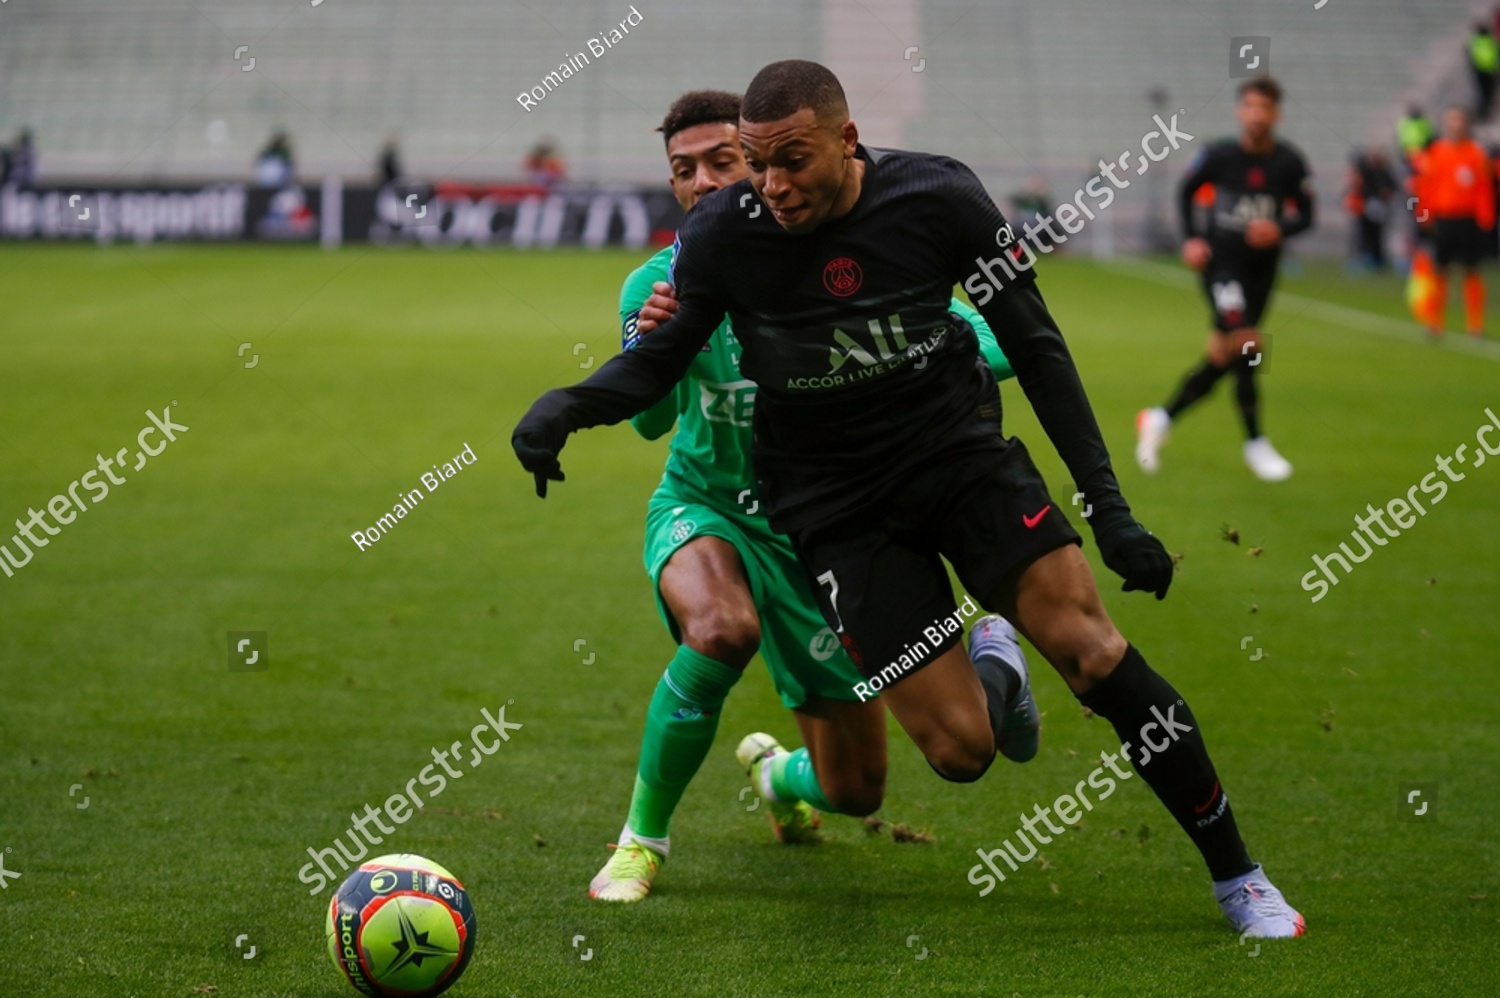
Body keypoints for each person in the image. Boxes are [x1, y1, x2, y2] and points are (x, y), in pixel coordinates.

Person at [515, 59, 1302, 938]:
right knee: (961, 753)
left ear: (848, 141)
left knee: (1093, 650)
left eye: (792, 160)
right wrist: (565, 408)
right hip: (835, 511)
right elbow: (657, 368)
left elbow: (1035, 347)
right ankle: (987, 656)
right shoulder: (724, 238)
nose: (770, 186)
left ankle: (1240, 877)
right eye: (755, 162)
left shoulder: (940, 197)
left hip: (957, 461)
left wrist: (1109, 508)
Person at [589, 88, 1021, 902]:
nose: (705, 181)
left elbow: (996, 340)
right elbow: (648, 424)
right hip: (706, 508)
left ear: (759, 165)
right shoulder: (657, 284)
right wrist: (647, 345)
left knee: (857, 788)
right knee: (719, 629)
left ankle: (777, 776)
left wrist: (900, 351)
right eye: (686, 170)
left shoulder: (841, 262)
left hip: (827, 537)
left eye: (725, 161)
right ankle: (641, 840)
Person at [1135, 77, 1314, 482]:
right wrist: (1193, 238)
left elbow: (1306, 214)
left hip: (1262, 273)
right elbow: (1186, 191)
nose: (1256, 114)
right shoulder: (1218, 156)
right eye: (1249, 105)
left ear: (1277, 113)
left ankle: (1160, 418)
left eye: (1264, 107)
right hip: (1221, 267)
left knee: (1221, 358)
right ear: (1240, 110)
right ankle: (1256, 443)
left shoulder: (1290, 162)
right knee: (1248, 342)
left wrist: (1281, 228)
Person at [1409, 106, 1495, 338]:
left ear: (1466, 124)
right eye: (1451, 120)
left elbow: (1483, 189)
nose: (1455, 125)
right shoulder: (1436, 152)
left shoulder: (1476, 154)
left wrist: (1486, 220)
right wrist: (1423, 216)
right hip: (1443, 219)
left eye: (1459, 120)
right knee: (1440, 271)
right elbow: (1425, 188)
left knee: (1471, 270)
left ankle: (1475, 324)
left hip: (1468, 219)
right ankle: (1434, 322)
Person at [1345, 148, 1396, 270]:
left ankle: (1376, 259)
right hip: (1369, 207)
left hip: (1378, 207)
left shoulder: (1384, 173)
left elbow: (1391, 189)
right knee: (1366, 233)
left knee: (1375, 234)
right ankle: (1368, 257)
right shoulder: (1370, 172)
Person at [1469, 23, 1498, 122]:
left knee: (1487, 92)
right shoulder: (1487, 41)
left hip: (1487, 71)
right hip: (1484, 71)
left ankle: (1485, 110)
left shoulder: (1478, 41)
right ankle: (1484, 110)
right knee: (1485, 92)